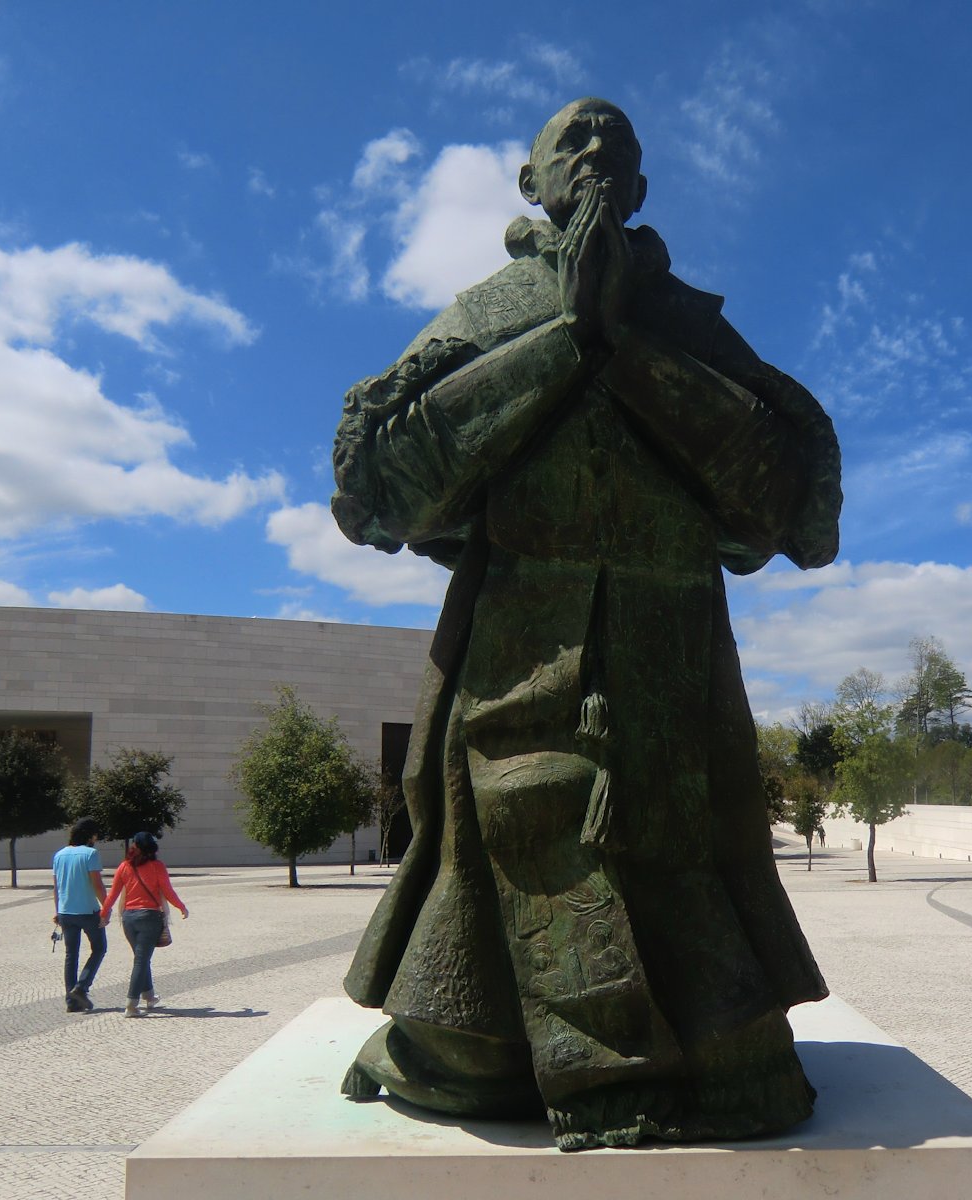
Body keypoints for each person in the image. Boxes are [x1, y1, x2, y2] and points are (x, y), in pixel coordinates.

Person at [332, 97, 841, 1149]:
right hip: (519, 652)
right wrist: (564, 339)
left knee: (740, 1063)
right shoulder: (490, 308)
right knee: (469, 1057)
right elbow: (381, 487)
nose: (598, 153)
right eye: (572, 143)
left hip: (671, 659)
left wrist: (632, 350)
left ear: (645, 191)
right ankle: (480, 1051)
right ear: (532, 185)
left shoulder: (689, 324)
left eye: (620, 149)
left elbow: (793, 504)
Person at [99, 831, 188, 1017]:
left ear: (134, 847)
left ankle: (149, 996)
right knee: (141, 959)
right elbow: (168, 891)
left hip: (128, 919)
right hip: (149, 917)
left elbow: (113, 894)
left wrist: (103, 913)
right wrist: (181, 907)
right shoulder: (157, 866)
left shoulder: (124, 867)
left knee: (141, 957)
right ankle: (131, 1004)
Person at [52, 817, 108, 1012]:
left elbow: (57, 887)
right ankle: (81, 987)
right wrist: (106, 908)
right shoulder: (91, 854)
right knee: (99, 948)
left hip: (66, 912)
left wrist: (57, 910)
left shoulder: (59, 855)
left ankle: (72, 1002)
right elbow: (97, 884)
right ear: (90, 835)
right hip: (88, 911)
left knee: (71, 955)